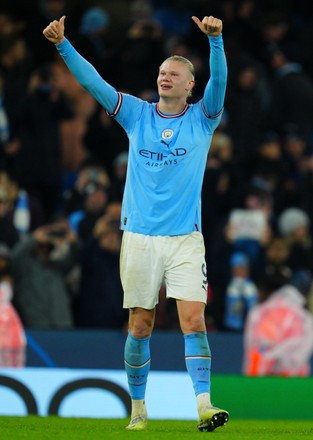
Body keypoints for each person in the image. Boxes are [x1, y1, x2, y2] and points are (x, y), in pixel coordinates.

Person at [43, 13, 228, 432]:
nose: (165, 77)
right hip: (140, 237)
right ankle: (138, 410)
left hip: (185, 238)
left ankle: (203, 404)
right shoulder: (138, 116)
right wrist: (63, 45)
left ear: (189, 86)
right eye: (162, 71)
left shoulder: (203, 118)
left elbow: (220, 83)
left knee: (194, 320)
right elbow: (94, 84)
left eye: (174, 74)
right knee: (140, 324)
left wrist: (215, 42)